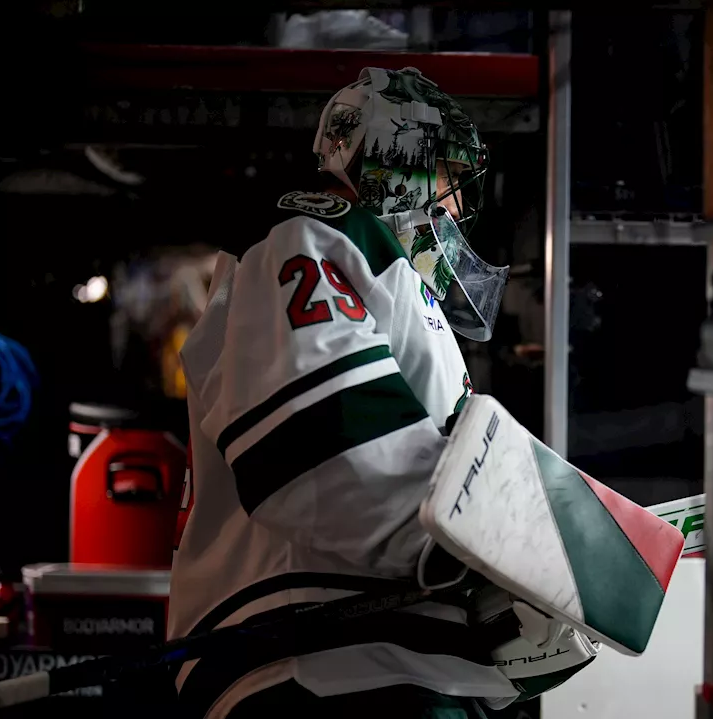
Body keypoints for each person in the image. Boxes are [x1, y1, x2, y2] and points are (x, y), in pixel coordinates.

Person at [168, 67, 518, 718]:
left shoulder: (400, 284)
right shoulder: (315, 234)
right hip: (323, 661)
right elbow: (322, 446)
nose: (458, 207)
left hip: (390, 660)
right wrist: (492, 540)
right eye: (447, 178)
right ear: (399, 158)